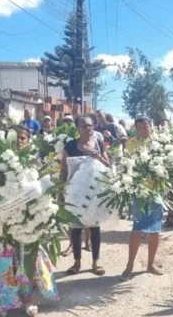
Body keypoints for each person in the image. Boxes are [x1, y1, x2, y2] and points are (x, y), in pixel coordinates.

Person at [0, 124, 59, 317]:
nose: (19, 141)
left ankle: (28, 298)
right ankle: (3, 302)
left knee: (27, 260)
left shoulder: (35, 163)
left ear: (28, 141)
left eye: (23, 138)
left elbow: (45, 189)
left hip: (28, 222)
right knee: (4, 262)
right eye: (15, 138)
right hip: (3, 222)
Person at [60, 115, 111, 276]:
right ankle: (77, 262)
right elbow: (63, 170)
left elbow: (109, 166)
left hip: (94, 192)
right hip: (74, 193)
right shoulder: (70, 146)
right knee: (76, 227)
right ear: (77, 128)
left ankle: (96, 262)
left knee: (94, 226)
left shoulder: (99, 144)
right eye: (83, 126)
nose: (87, 128)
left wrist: (99, 157)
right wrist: (60, 191)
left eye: (90, 125)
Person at [121, 116, 164, 281]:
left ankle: (150, 264)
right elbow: (127, 164)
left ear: (150, 127)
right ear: (136, 129)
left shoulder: (159, 142)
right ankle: (129, 265)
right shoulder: (132, 144)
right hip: (139, 191)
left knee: (155, 230)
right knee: (137, 229)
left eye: (146, 126)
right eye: (140, 128)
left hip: (156, 191)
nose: (143, 130)